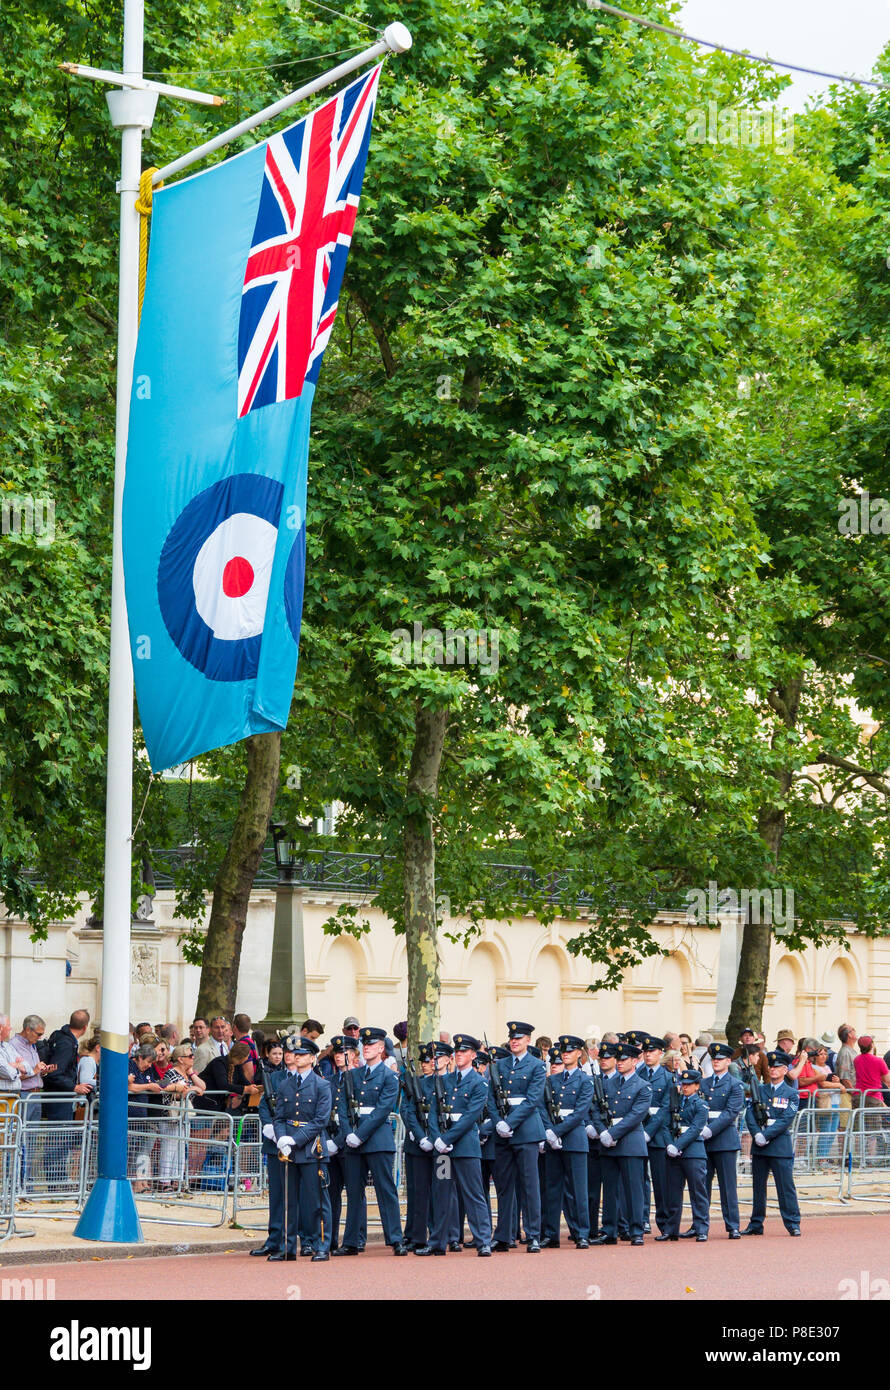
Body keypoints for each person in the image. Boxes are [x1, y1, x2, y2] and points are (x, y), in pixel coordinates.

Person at [416, 1033, 493, 1257]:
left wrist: (446, 1139)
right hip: (443, 1150)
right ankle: (438, 1241)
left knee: (473, 1194)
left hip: (465, 1147)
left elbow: (470, 1117)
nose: (459, 1055)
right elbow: (432, 1113)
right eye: (457, 1051)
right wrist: (436, 1138)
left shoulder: (479, 1083)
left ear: (472, 1055)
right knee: (441, 1193)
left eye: (464, 1052)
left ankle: (482, 1241)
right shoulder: (444, 1081)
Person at [334, 1025, 407, 1256]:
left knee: (386, 1191)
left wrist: (360, 1134)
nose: (366, 1048)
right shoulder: (351, 1075)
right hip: (354, 1141)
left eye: (371, 1045)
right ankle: (352, 1241)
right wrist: (348, 1134)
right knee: (354, 1193)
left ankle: (396, 1239)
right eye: (364, 1045)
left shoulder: (389, 1076)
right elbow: (343, 1107)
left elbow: (383, 1109)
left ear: (381, 1048)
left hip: (376, 1139)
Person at [271, 1035, 332, 1261]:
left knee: (316, 1201)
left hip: (311, 1148)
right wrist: (281, 1139)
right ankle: (288, 1247)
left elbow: (320, 1120)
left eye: (303, 1055)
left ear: (313, 1058)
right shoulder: (285, 1084)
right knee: (289, 1201)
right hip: (289, 1149)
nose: (298, 1058)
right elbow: (279, 1117)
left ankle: (321, 1245)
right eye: (296, 1055)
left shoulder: (322, 1085)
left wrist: (294, 1139)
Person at [488, 1020, 546, 1254]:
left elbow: (533, 1100)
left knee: (530, 1186)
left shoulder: (536, 1065)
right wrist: (498, 1122)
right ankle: (503, 1234)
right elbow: (490, 1097)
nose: (514, 1041)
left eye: (519, 1038)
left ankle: (533, 1235)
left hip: (526, 1132)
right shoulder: (499, 1065)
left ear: (528, 1041)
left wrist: (509, 1123)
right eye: (512, 1038)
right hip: (503, 1133)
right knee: (504, 1186)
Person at [590, 1040, 651, 1246]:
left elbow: (636, 1115)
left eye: (624, 1059)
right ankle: (609, 1229)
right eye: (619, 1059)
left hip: (630, 1142)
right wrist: (602, 1131)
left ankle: (636, 1230)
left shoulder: (643, 1086)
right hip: (608, 1140)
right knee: (610, 1189)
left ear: (635, 1061)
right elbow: (596, 1110)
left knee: (633, 1189)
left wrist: (612, 1133)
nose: (619, 1063)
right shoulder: (608, 1084)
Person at [539, 1035, 593, 1249]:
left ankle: (581, 1233)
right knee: (552, 1189)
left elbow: (580, 1113)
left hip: (574, 1138)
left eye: (570, 1051)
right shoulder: (551, 1081)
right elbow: (543, 1107)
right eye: (563, 1051)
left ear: (579, 1053)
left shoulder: (585, 1080)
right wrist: (549, 1131)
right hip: (554, 1139)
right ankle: (551, 1233)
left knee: (578, 1190)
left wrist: (556, 1131)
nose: (565, 1054)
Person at [743, 1049, 802, 1237]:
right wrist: (756, 1133)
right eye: (771, 1066)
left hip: (778, 1145)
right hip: (760, 1145)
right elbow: (750, 1114)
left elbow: (786, 1119)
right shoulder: (760, 1089)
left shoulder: (792, 1093)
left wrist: (766, 1135)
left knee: (785, 1187)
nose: (773, 1070)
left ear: (785, 1070)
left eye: (778, 1067)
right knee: (758, 1188)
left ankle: (792, 1222)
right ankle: (756, 1223)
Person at [694, 1041, 743, 1238]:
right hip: (704, 1140)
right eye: (714, 1059)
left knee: (727, 1187)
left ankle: (732, 1226)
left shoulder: (734, 1084)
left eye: (720, 1059)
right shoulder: (704, 1084)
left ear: (728, 1061)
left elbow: (730, 1113)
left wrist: (709, 1130)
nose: (716, 1061)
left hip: (724, 1140)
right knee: (702, 1186)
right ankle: (701, 1227)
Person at [659, 1068, 710, 1241]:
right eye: (683, 1084)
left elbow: (696, 1129)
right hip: (674, 1152)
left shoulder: (700, 1105)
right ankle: (671, 1229)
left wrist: (678, 1145)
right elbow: (665, 1124)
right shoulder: (675, 1101)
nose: (685, 1087)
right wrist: (669, 1145)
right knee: (672, 1193)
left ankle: (701, 1228)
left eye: (689, 1085)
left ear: (696, 1086)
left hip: (693, 1152)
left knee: (698, 1192)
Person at [324, 1035, 364, 1253]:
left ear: (354, 1055)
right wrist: (329, 1141)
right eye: (337, 1054)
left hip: (350, 1141)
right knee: (332, 1193)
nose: (340, 1057)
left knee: (355, 1192)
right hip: (331, 1139)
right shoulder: (329, 1082)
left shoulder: (358, 1080)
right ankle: (330, 1239)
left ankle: (357, 1237)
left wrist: (339, 1141)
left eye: (345, 1053)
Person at [400, 1041, 438, 1251]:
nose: (424, 1064)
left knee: (442, 1190)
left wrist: (435, 1137)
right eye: (422, 1061)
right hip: (417, 1145)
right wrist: (419, 1136)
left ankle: (445, 1234)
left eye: (428, 1060)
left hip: (440, 1146)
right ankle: (416, 1235)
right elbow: (407, 1111)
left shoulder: (445, 1083)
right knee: (418, 1191)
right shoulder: (416, 1083)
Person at [252, 1038, 287, 1258]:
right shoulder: (274, 1077)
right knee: (276, 1195)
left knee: (299, 1195)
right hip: (275, 1143)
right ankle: (275, 1238)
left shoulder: (311, 1081)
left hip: (296, 1143)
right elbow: (265, 1105)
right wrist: (269, 1127)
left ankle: (303, 1238)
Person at [638, 1033, 672, 1239]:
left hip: (658, 1134)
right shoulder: (637, 1073)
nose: (648, 1055)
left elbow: (666, 1107)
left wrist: (649, 1132)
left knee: (661, 1181)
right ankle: (641, 1219)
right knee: (640, 1179)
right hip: (637, 1130)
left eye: (652, 1052)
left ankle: (664, 1223)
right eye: (645, 1052)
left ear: (661, 1053)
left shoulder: (668, 1077)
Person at [128, 1042, 162, 1192]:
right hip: (130, 1116)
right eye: (147, 1062)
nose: (149, 1066)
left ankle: (140, 1182)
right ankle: (131, 1183)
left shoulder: (148, 1070)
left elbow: (151, 1083)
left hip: (143, 1116)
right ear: (139, 1057)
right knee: (130, 1151)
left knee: (142, 1151)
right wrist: (148, 1087)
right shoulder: (129, 1065)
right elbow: (129, 1087)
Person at [0, 1013, 30, 1116]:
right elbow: (7, 1072)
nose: (11, 1028)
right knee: (2, 1128)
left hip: (14, 1095)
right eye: (8, 1025)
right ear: (0, 1028)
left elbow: (28, 1068)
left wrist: (15, 1065)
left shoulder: (8, 1046)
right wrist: (18, 1068)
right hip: (2, 1096)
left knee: (12, 1128)